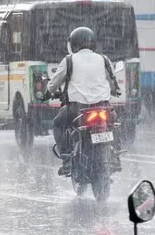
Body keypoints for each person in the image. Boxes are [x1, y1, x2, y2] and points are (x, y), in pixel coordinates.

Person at [47, 27, 121, 176]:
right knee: (115, 123)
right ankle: (115, 154)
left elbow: (53, 84)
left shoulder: (69, 60)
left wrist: (48, 92)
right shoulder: (104, 59)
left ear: (73, 44)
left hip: (78, 109)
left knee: (58, 124)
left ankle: (67, 159)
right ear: (93, 43)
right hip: (103, 106)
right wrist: (113, 90)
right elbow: (114, 83)